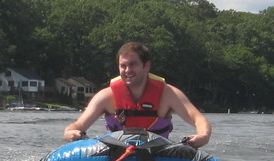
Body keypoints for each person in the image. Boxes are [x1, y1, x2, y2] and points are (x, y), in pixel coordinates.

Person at [63, 42, 211, 147]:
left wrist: (203, 136)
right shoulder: (106, 97)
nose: (127, 70)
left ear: (146, 66)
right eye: (123, 66)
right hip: (116, 154)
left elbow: (198, 119)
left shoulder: (169, 94)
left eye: (133, 64)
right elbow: (79, 125)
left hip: (158, 154)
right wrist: (70, 132)